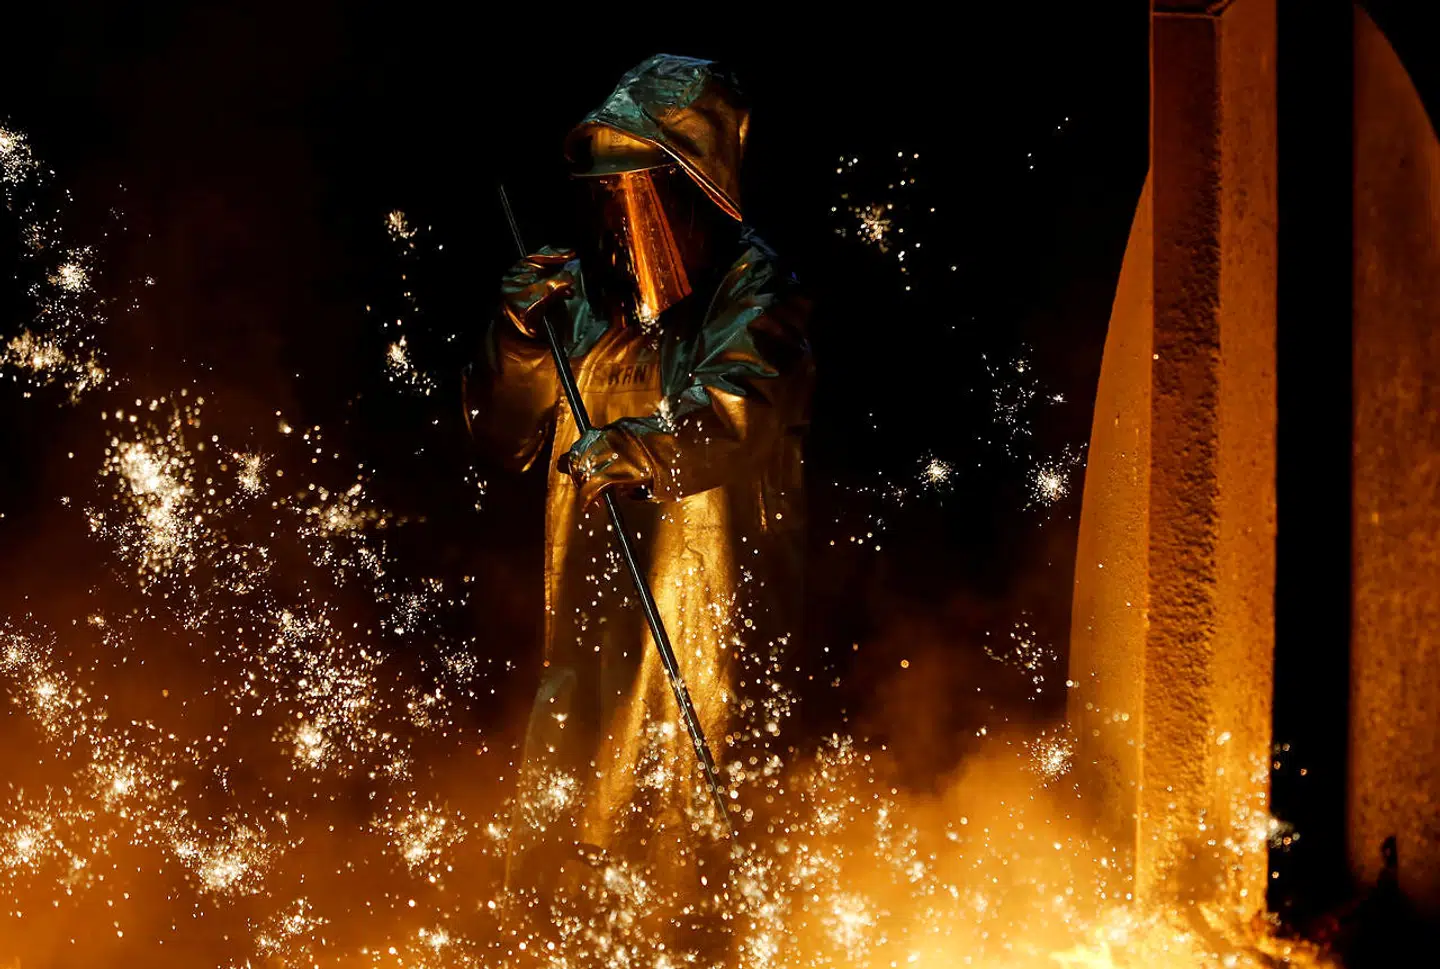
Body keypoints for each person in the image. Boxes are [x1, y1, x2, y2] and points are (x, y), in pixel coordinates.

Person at [465, 54, 813, 897]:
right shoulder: (582, 305)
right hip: (590, 635)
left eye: (642, 198)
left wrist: (648, 446)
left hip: (702, 626)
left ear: (694, 190)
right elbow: (503, 435)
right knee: (572, 840)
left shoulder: (755, 290)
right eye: (606, 200)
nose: (622, 226)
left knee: (687, 850)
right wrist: (517, 335)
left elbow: (742, 404)